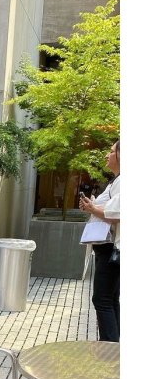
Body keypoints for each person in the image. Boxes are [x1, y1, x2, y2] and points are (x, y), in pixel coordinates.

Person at [79, 139, 120, 341]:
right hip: (109, 245)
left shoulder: (122, 181)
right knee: (110, 298)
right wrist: (92, 206)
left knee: (102, 299)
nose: (107, 155)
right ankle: (114, 347)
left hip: (111, 245)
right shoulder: (116, 180)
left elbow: (116, 213)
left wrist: (92, 208)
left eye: (111, 152)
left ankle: (111, 349)